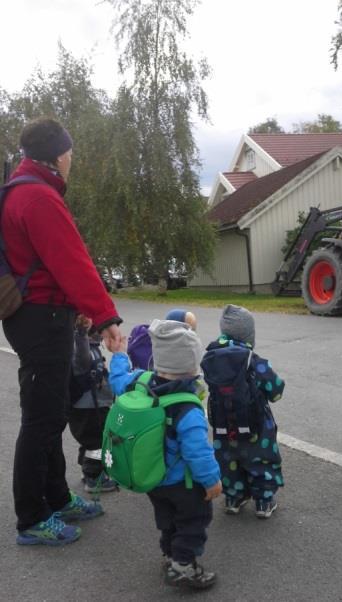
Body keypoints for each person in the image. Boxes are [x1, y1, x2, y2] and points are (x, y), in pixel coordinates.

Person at [2, 118, 123, 546]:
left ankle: (56, 497)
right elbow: (71, 261)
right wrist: (106, 316)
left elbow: (54, 266)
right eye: (69, 151)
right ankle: (32, 517)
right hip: (40, 320)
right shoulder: (37, 196)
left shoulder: (24, 189)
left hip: (43, 316)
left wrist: (79, 311)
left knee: (50, 415)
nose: (72, 159)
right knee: (41, 420)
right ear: (56, 154)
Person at [109, 319, 221, 590]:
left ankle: (170, 553)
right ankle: (183, 566)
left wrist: (119, 355)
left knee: (167, 518)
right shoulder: (187, 408)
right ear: (192, 367)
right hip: (183, 483)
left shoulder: (140, 381)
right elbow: (198, 453)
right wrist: (212, 480)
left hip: (152, 478)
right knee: (193, 520)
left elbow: (116, 382)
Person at [201, 304, 285, 519]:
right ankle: (264, 502)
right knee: (260, 460)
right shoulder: (253, 360)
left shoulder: (211, 358)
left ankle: (234, 498)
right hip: (257, 427)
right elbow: (276, 391)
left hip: (223, 425)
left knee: (229, 461)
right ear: (249, 334)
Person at [68, 314, 117, 493]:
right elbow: (82, 361)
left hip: (95, 404)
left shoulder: (93, 345)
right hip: (87, 406)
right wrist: (81, 333)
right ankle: (94, 478)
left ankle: (88, 471)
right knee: (95, 443)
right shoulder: (79, 344)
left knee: (91, 441)